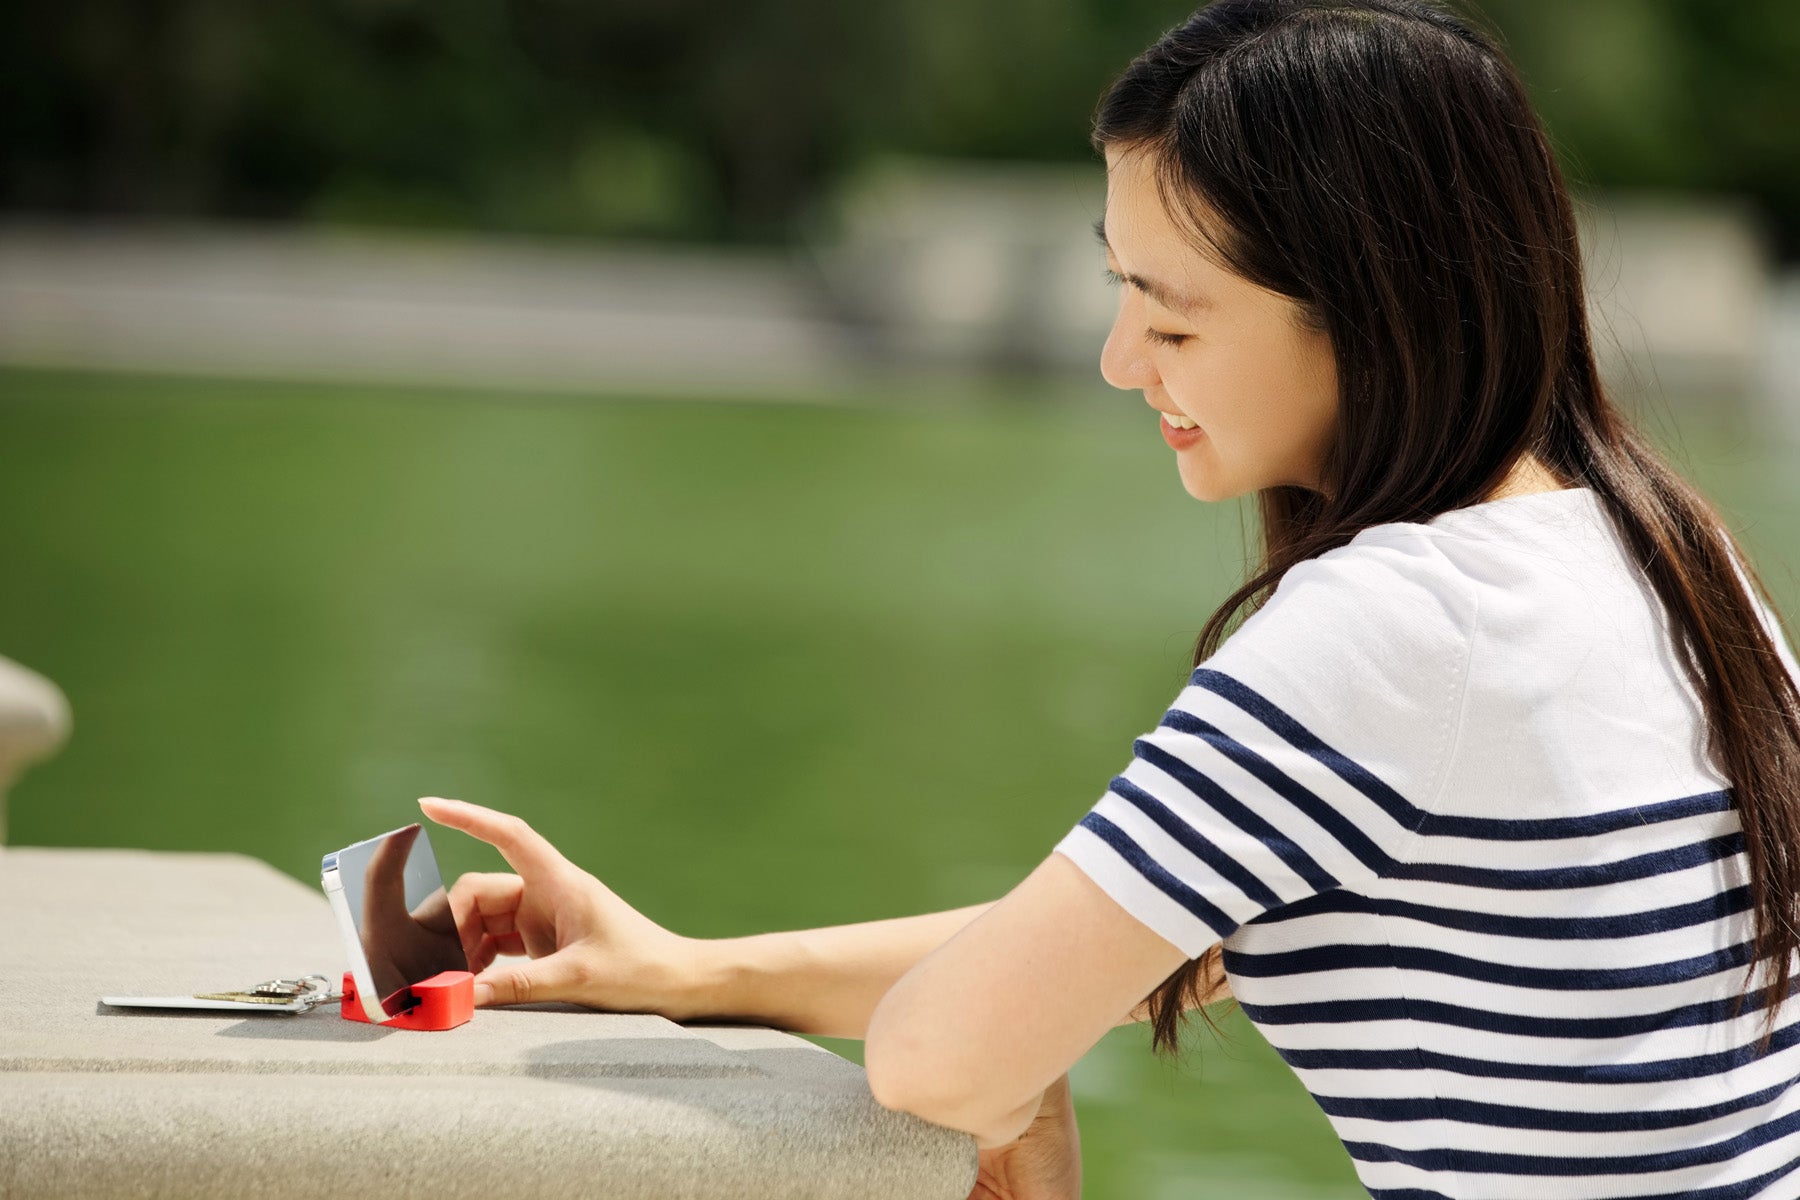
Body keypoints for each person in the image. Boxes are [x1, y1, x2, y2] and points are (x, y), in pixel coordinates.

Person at [420, 1, 1800, 1196]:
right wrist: (686, 971)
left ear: (1377, 306)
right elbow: (1149, 936)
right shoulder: (1666, 558)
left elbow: (939, 1055)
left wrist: (1008, 1081)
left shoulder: (1399, 625)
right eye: (1117, 290)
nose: (1119, 358)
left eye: (1173, 314)